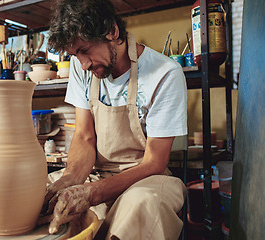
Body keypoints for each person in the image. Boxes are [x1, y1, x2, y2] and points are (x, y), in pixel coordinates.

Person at [40, 0, 188, 239]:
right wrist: (72, 178)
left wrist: (92, 193)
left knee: (143, 205)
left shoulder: (165, 74)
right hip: (96, 173)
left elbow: (154, 163)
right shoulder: (82, 68)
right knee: (40, 195)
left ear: (112, 31)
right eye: (74, 55)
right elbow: (84, 135)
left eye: (85, 50)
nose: (83, 64)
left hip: (145, 178)